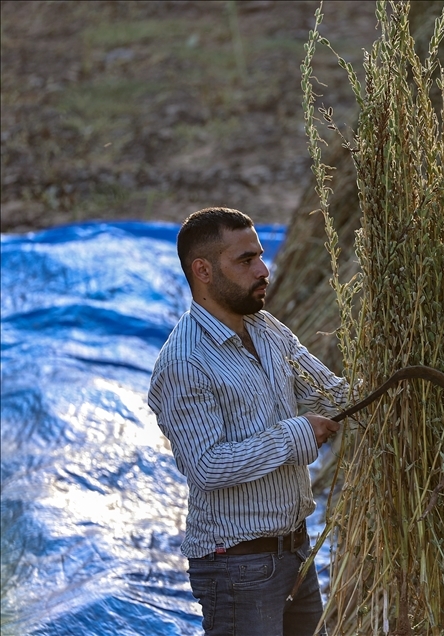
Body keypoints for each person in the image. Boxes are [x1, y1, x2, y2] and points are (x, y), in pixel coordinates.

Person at [148, 207, 345, 636]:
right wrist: (297, 433)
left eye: (259, 256)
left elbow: (325, 392)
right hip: (237, 568)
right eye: (245, 260)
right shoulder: (185, 363)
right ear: (202, 270)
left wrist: (393, 384)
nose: (263, 270)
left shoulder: (265, 328)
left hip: (295, 552)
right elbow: (207, 465)